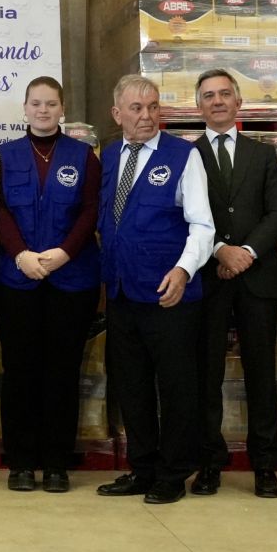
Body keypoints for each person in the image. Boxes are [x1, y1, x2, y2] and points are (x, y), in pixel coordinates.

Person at [95, 74, 215, 506]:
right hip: (123, 293)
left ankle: (174, 471)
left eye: (153, 106)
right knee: (133, 386)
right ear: (117, 114)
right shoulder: (109, 156)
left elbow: (203, 225)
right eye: (136, 108)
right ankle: (142, 467)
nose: (146, 116)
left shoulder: (185, 156)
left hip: (170, 294)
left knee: (177, 386)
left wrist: (183, 271)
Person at [0, 76, 101, 493]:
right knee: (19, 371)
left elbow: (91, 210)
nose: (43, 110)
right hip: (16, 279)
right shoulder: (4, 156)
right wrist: (20, 254)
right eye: (35, 104)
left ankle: (56, 464)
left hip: (71, 281)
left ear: (61, 109)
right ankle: (20, 463)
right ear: (24, 108)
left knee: (61, 373)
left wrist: (64, 253)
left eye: (50, 104)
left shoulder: (84, 156)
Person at [191, 69, 277, 499]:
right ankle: (209, 463)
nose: (217, 101)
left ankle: (265, 465)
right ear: (199, 106)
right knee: (205, 374)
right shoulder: (186, 155)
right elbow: (183, 216)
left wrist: (245, 253)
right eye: (209, 96)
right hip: (208, 278)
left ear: (238, 102)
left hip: (257, 278)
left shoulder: (263, 154)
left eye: (224, 94)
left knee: (261, 375)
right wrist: (219, 251)